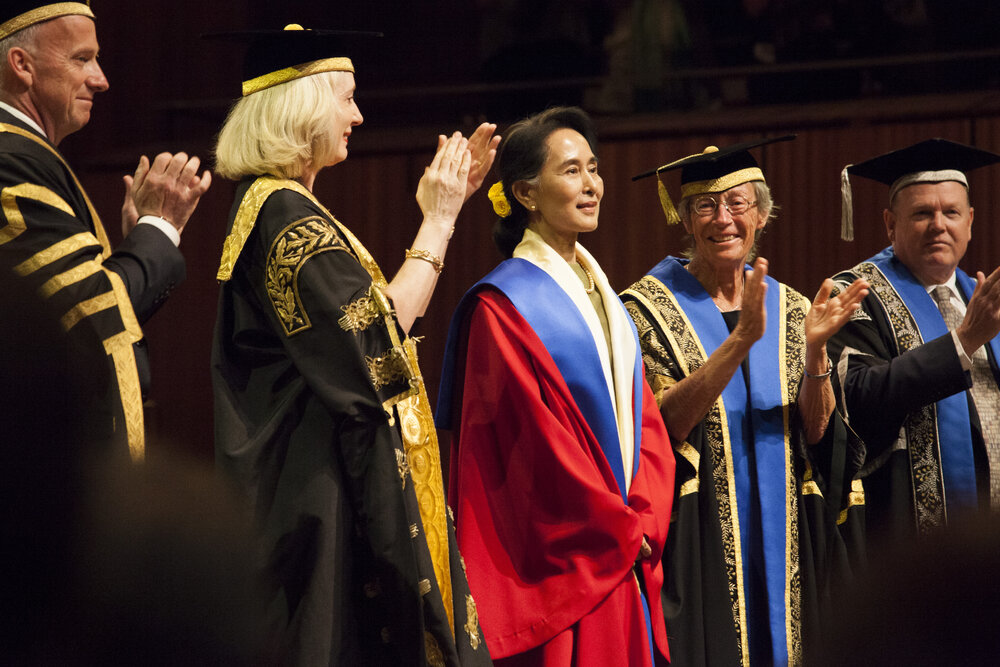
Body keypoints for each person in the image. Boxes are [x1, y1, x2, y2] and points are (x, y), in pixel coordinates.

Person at [209, 24, 499, 666]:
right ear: (303, 105)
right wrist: (441, 218)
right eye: (347, 97)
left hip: (314, 483)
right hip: (316, 496)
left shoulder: (276, 206)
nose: (358, 115)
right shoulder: (284, 216)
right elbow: (376, 338)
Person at [436, 106, 676, 666]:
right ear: (525, 193)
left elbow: (644, 422)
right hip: (570, 555)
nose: (591, 185)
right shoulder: (503, 307)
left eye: (593, 168)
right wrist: (614, 526)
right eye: (571, 172)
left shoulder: (608, 299)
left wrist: (645, 513)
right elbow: (534, 448)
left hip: (624, 541)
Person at [621, 137, 870, 666]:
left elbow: (819, 433)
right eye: (706, 206)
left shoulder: (795, 307)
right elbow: (661, 425)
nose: (723, 219)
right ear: (686, 220)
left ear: (761, 215)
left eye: (738, 204)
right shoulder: (643, 310)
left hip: (788, 534)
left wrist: (817, 355)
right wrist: (738, 343)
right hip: (700, 532)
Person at [0, 1, 211, 461]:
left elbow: (82, 311)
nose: (101, 78)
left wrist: (135, 248)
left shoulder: (31, 154)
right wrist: (160, 228)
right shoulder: (11, 161)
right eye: (81, 59)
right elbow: (88, 318)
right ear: (22, 65)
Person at [828, 138, 1000, 544]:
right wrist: (963, 341)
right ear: (890, 224)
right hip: (909, 532)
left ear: (971, 221)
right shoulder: (854, 295)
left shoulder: (984, 299)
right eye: (923, 213)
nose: (939, 224)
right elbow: (856, 397)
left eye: (951, 212)